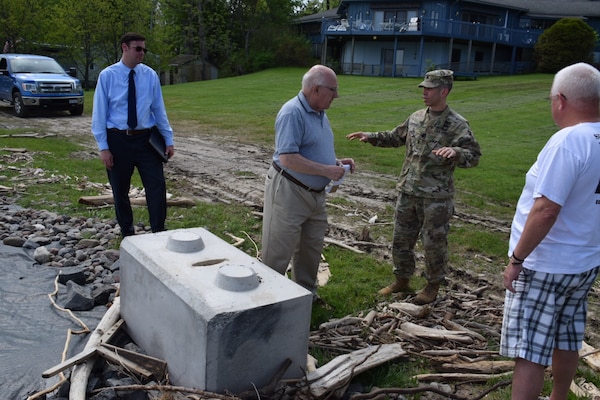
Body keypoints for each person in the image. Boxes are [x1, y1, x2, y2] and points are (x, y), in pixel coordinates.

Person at [500, 62, 600, 400]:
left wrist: (516, 259)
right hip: (584, 262)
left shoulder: (568, 142)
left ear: (561, 99)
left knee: (530, 348)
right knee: (567, 335)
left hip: (547, 263)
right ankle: (558, 396)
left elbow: (546, 210)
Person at [346, 69, 480, 304]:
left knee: (433, 243)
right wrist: (371, 136)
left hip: (436, 198)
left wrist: (456, 152)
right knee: (401, 239)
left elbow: (474, 155)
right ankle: (402, 280)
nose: (425, 92)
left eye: (430, 88)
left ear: (444, 91)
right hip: (409, 190)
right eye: (424, 88)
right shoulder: (416, 117)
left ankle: (432, 285)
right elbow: (395, 137)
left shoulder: (457, 125)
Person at [261, 64, 355, 298]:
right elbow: (288, 158)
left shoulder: (320, 113)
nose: (337, 96)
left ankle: (304, 298)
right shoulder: (292, 113)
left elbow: (311, 149)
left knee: (310, 251)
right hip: (289, 192)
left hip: (315, 195)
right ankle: (267, 301)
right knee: (277, 252)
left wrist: (336, 162)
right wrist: (326, 170)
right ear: (316, 90)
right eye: (333, 90)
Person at [92, 32, 175, 237]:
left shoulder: (150, 75)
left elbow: (159, 110)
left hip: (146, 139)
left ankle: (158, 230)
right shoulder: (107, 76)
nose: (142, 53)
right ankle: (127, 232)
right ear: (125, 48)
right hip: (118, 139)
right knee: (120, 189)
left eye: (144, 49)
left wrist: (169, 139)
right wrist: (103, 147)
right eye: (138, 48)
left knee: (156, 185)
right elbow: (99, 114)